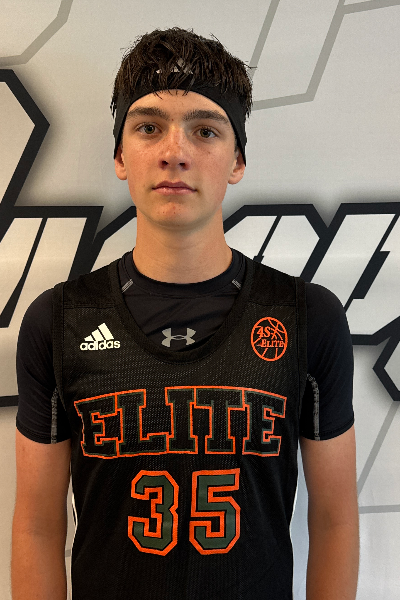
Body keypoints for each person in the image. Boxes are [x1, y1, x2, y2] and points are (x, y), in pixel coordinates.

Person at [12, 27, 359, 600]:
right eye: (149, 127)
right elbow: (37, 526)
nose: (175, 152)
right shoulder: (59, 321)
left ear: (237, 159)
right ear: (120, 156)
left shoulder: (306, 318)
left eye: (205, 130)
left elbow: (335, 519)